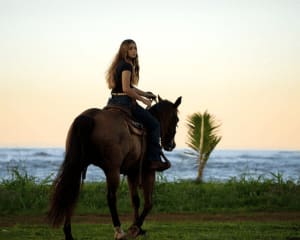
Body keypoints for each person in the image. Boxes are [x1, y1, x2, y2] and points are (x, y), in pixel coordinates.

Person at [105, 39, 170, 172]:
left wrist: (145, 94)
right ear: (125, 51)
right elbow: (126, 89)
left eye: (135, 48)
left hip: (113, 101)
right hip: (125, 103)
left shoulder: (119, 65)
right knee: (154, 124)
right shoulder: (127, 66)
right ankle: (154, 159)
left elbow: (129, 87)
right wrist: (143, 101)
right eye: (130, 48)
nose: (134, 51)